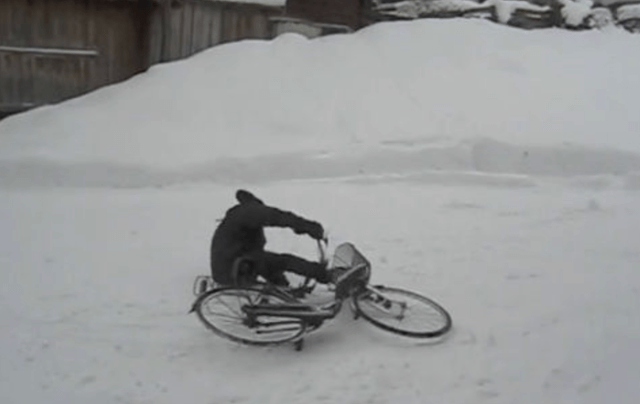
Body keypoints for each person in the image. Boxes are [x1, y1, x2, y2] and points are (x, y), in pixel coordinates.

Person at [210, 189, 332, 287]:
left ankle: (282, 290)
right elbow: (278, 217)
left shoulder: (239, 213)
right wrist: (308, 227)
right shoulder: (249, 212)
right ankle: (326, 275)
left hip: (232, 263)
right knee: (285, 261)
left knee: (270, 263)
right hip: (234, 267)